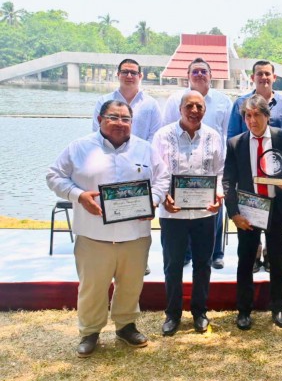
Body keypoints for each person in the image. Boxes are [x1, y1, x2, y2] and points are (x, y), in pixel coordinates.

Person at [46, 100, 168, 357]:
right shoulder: (79, 148)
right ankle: (90, 331)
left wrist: (153, 200)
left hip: (135, 234)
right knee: (92, 286)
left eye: (126, 119)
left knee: (131, 284)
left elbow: (162, 179)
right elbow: (54, 176)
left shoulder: (145, 149)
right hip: (94, 234)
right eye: (114, 117)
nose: (120, 123)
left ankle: (125, 326)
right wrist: (78, 195)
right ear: (100, 119)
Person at [223, 94, 282, 330]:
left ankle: (278, 308)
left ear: (267, 116)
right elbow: (228, 181)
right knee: (245, 261)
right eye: (248, 115)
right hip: (249, 211)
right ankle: (244, 311)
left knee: (277, 260)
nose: (252, 120)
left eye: (257, 114)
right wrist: (234, 213)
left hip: (277, 208)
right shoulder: (235, 143)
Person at [153, 91, 224, 336]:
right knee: (173, 265)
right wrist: (163, 197)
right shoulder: (163, 136)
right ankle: (172, 314)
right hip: (173, 213)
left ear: (205, 110)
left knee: (203, 264)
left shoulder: (213, 136)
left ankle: (199, 311)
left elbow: (219, 172)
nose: (194, 110)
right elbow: (157, 173)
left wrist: (218, 196)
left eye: (199, 106)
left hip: (205, 213)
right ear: (180, 109)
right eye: (189, 106)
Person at [162, 58, 232, 270]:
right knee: (182, 210)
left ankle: (216, 253)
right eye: (195, 71)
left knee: (213, 209)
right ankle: (185, 254)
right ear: (188, 75)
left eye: (204, 71)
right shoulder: (175, 99)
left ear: (211, 75)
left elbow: (228, 133)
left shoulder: (223, 101)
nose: (200, 74)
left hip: (211, 163)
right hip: (180, 165)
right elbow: (166, 131)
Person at [227, 60, 282, 272]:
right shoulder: (241, 102)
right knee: (246, 255)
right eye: (259, 74)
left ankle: (277, 301)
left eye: (267, 73)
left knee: (277, 256)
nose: (253, 119)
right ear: (253, 77)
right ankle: (256, 255)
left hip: (276, 186)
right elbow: (233, 137)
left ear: (274, 77)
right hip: (250, 190)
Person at [92, 58, 162, 142]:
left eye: (133, 73)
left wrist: (143, 152)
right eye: (125, 72)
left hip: (142, 153)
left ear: (140, 76)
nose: (129, 76)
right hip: (108, 153)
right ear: (118, 75)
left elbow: (155, 136)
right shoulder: (103, 101)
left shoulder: (151, 104)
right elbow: (97, 131)